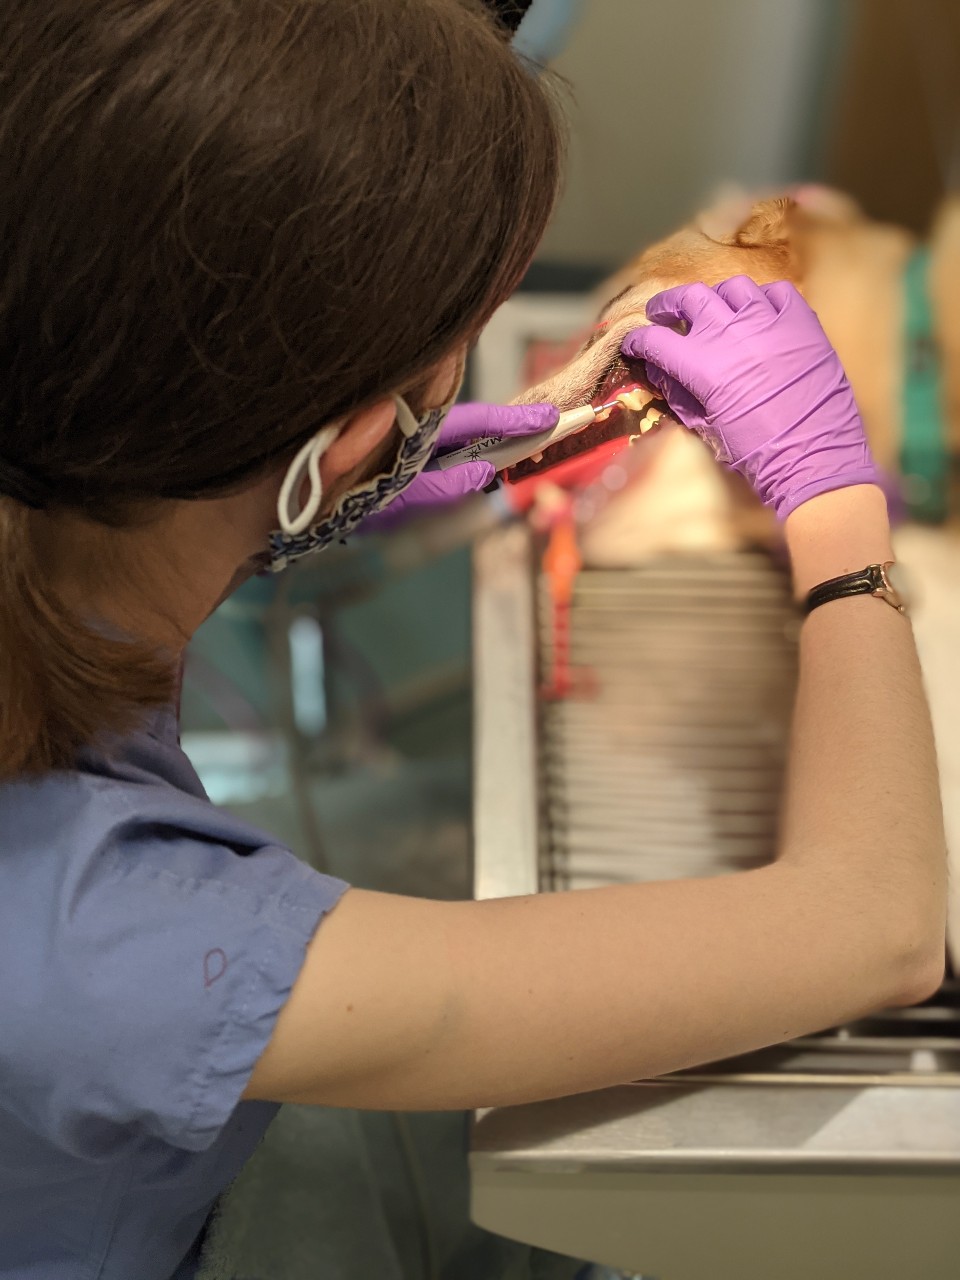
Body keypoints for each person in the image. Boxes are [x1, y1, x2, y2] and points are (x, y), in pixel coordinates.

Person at [0, 1, 946, 1277]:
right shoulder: (117, 939)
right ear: (329, 434)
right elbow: (878, 928)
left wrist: (348, 488)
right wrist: (836, 509)